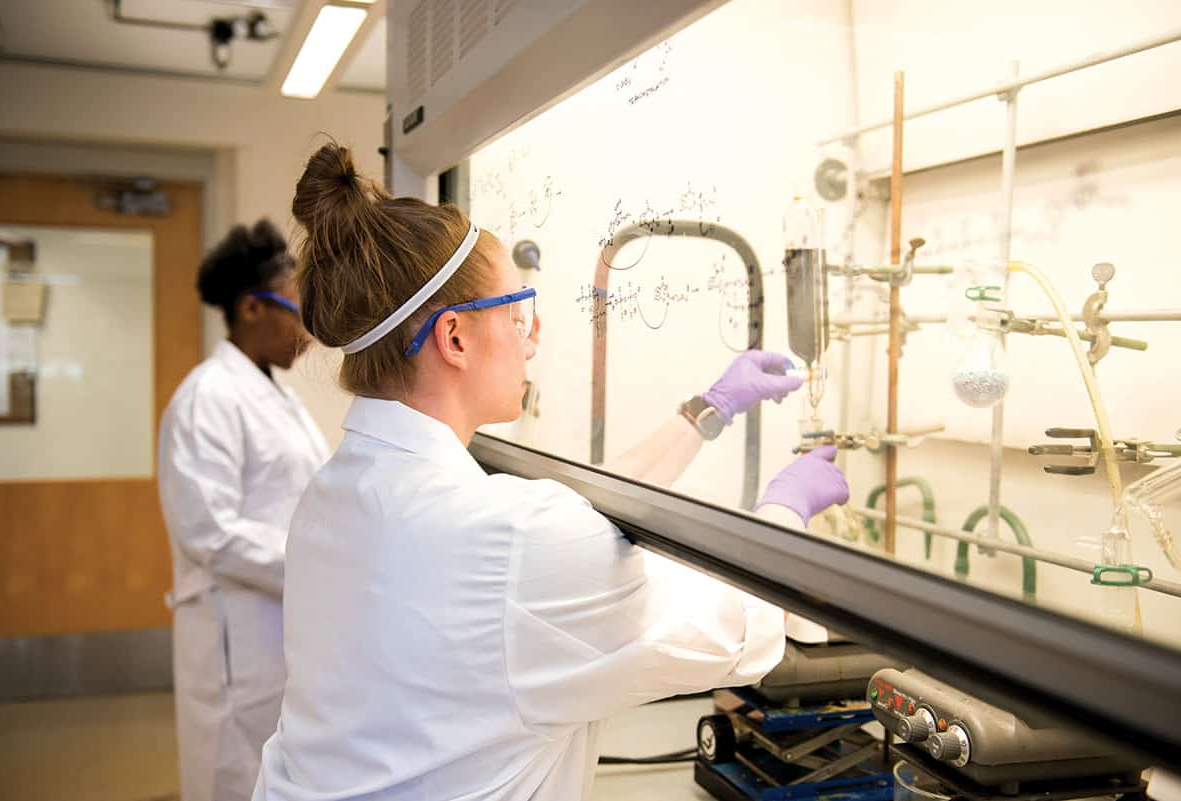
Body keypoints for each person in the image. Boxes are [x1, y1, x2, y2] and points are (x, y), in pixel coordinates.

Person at [252, 143, 848, 801]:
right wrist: (786, 511)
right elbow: (729, 626)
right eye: (516, 313)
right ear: (455, 338)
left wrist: (705, 411)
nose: (531, 339)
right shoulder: (501, 541)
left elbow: (571, 518)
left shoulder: (338, 494)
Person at [158, 219, 331, 801]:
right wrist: (318, 564)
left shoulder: (278, 393)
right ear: (251, 309)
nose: (307, 331)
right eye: (296, 310)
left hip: (282, 623)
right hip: (237, 635)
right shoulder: (208, 398)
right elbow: (210, 533)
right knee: (230, 775)